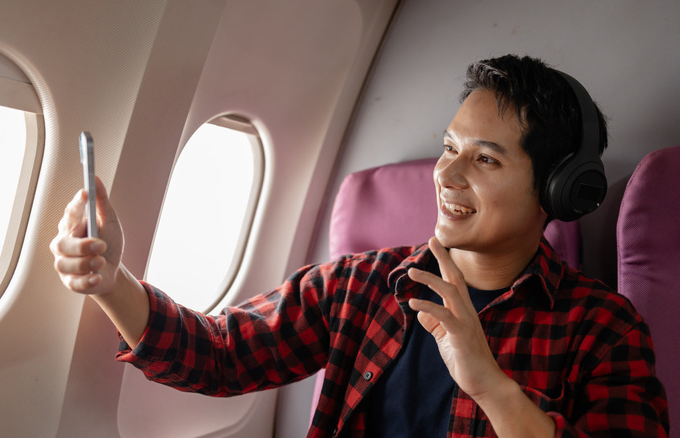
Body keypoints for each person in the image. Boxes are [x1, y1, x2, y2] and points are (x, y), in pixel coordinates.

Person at [51, 55, 669, 437]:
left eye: (484, 160)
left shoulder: (603, 329)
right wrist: (111, 281)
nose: (448, 177)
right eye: (450, 148)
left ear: (559, 190)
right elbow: (220, 355)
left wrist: (490, 385)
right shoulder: (364, 284)